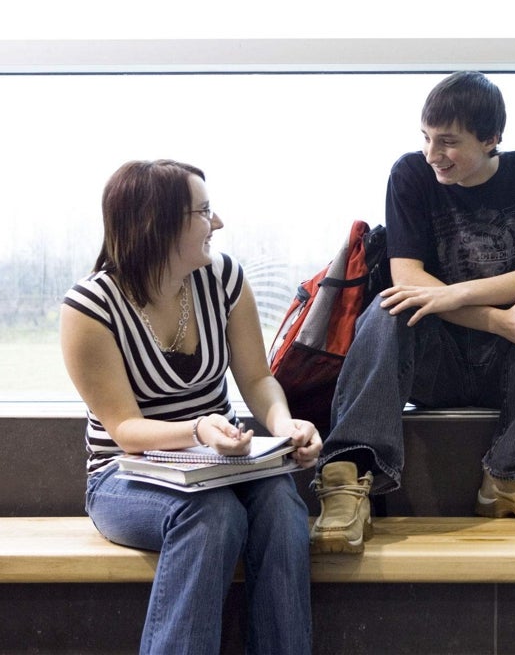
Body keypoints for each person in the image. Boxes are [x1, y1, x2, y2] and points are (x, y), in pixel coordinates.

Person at [312, 70, 515, 553]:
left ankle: (513, 474)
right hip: (436, 363)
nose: (433, 154)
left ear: (491, 138)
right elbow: (409, 281)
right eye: (426, 138)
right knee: (388, 306)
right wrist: (499, 320)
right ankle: (349, 477)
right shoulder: (411, 175)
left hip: (509, 365)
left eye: (448, 142)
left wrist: (454, 295)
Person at [61, 159, 321, 655]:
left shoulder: (224, 279)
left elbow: (257, 378)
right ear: (155, 225)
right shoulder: (90, 308)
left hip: (218, 465)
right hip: (123, 476)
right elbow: (124, 430)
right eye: (203, 212)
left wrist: (285, 428)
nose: (217, 223)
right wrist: (199, 429)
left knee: (282, 504)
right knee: (211, 517)